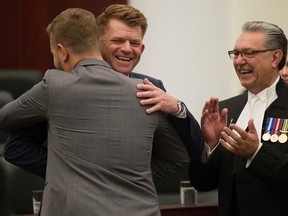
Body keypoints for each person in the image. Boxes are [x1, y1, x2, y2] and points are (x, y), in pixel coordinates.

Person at [0, 8, 189, 215]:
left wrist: (77, 173)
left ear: (62, 52)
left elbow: (6, 119)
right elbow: (178, 158)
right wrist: (128, 176)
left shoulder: (54, 85)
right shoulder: (145, 92)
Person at [189, 21, 288, 216]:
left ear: (275, 57)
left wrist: (256, 153)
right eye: (236, 54)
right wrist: (209, 145)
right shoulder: (226, 109)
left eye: (249, 53)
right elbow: (202, 183)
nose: (238, 61)